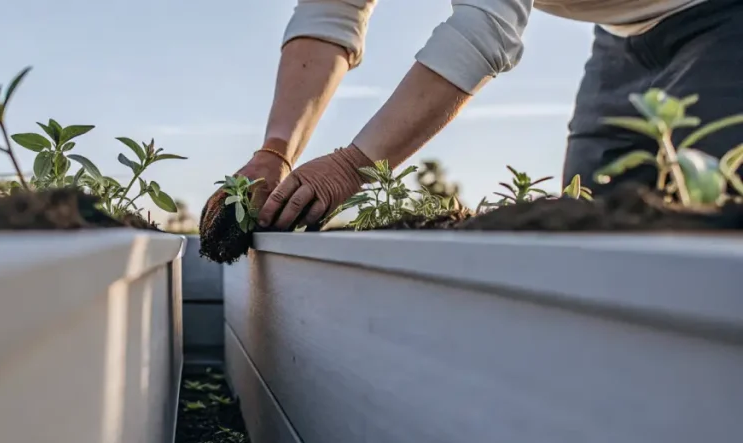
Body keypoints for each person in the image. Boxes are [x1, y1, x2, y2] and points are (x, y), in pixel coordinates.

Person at [215, 0, 743, 231]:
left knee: (714, 223)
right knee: (595, 226)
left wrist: (353, 166)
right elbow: (329, 15)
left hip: (724, 19)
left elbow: (483, 30)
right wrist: (276, 151)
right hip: (621, 35)